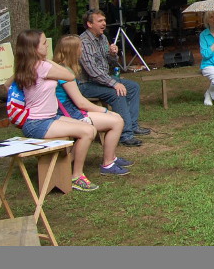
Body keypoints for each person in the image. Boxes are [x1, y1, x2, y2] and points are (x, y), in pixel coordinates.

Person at [14, 30, 131, 192]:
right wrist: (46, 61)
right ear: (33, 48)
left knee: (87, 127)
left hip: (48, 118)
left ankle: (67, 165)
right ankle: (76, 176)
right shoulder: (43, 66)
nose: (47, 46)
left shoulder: (26, 65)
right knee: (88, 131)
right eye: (44, 43)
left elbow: (8, 85)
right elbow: (68, 76)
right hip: (38, 123)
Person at [51, 35, 133, 175]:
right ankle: (108, 164)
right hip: (69, 113)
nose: (82, 50)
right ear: (72, 50)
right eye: (80, 47)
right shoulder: (65, 73)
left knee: (116, 118)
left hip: (68, 111)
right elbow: (80, 102)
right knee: (117, 121)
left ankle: (111, 157)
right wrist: (104, 111)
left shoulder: (60, 68)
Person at [76, 9, 149, 147]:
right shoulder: (83, 42)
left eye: (104, 20)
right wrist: (114, 84)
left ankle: (132, 125)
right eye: (100, 21)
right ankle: (125, 135)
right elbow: (93, 71)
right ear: (89, 24)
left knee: (133, 87)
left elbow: (110, 62)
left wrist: (112, 54)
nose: (104, 23)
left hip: (102, 79)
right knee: (117, 93)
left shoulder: (102, 38)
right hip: (87, 84)